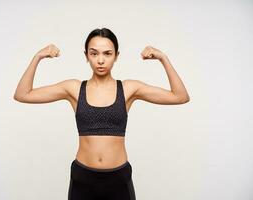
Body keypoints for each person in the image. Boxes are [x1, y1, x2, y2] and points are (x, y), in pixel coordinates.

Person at [13, 27, 190, 200]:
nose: (100, 60)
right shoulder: (74, 89)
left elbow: (180, 96)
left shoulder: (128, 89)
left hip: (118, 178)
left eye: (107, 53)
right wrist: (37, 57)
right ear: (86, 56)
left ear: (116, 56)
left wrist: (163, 58)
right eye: (94, 53)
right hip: (83, 177)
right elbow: (22, 94)